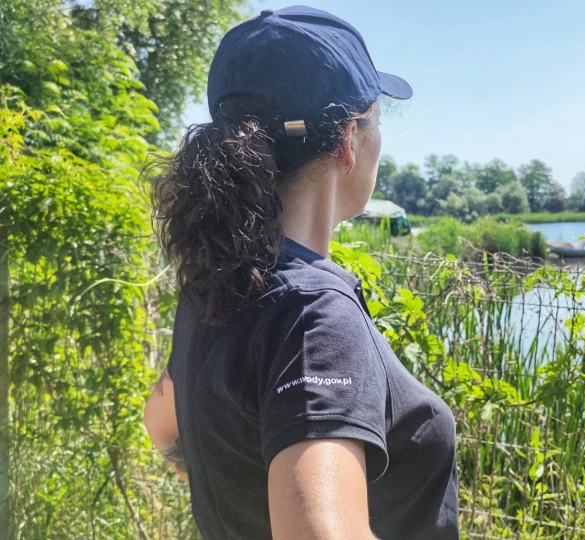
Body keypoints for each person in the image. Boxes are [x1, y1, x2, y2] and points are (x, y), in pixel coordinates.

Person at [142, 7, 458, 539]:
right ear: (348, 142)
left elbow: (162, 425)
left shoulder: (216, 282)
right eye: (376, 120)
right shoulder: (315, 316)